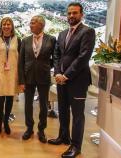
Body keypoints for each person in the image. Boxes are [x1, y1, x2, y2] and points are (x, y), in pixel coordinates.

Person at [48, 2, 96, 158]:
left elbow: (83, 57)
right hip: (61, 80)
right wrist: (57, 73)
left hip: (77, 81)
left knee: (77, 115)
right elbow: (56, 55)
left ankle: (76, 146)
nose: (71, 16)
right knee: (62, 111)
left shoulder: (88, 32)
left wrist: (66, 74)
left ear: (81, 15)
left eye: (75, 13)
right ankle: (63, 137)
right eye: (69, 13)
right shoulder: (62, 34)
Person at [18, 15, 56, 143]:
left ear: (41, 25)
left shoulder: (51, 39)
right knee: (28, 105)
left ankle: (41, 129)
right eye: (30, 22)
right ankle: (29, 128)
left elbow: (55, 59)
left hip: (43, 77)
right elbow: (21, 62)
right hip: (28, 77)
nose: (30, 25)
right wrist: (21, 81)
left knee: (44, 105)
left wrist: (45, 67)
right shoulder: (25, 40)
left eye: (33, 23)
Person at [0, 17, 21, 135]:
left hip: (13, 73)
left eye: (9, 24)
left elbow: (21, 60)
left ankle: (6, 122)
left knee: (9, 99)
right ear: (1, 26)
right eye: (4, 24)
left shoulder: (17, 40)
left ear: (12, 26)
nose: (6, 26)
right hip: (0, 73)